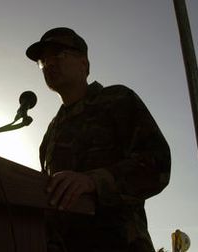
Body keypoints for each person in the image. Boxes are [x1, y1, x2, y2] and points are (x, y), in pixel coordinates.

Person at [26, 27, 171, 252]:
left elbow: (157, 164)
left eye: (58, 54)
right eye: (43, 60)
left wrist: (93, 181)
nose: (49, 63)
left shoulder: (117, 100)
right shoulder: (51, 134)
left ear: (84, 63)